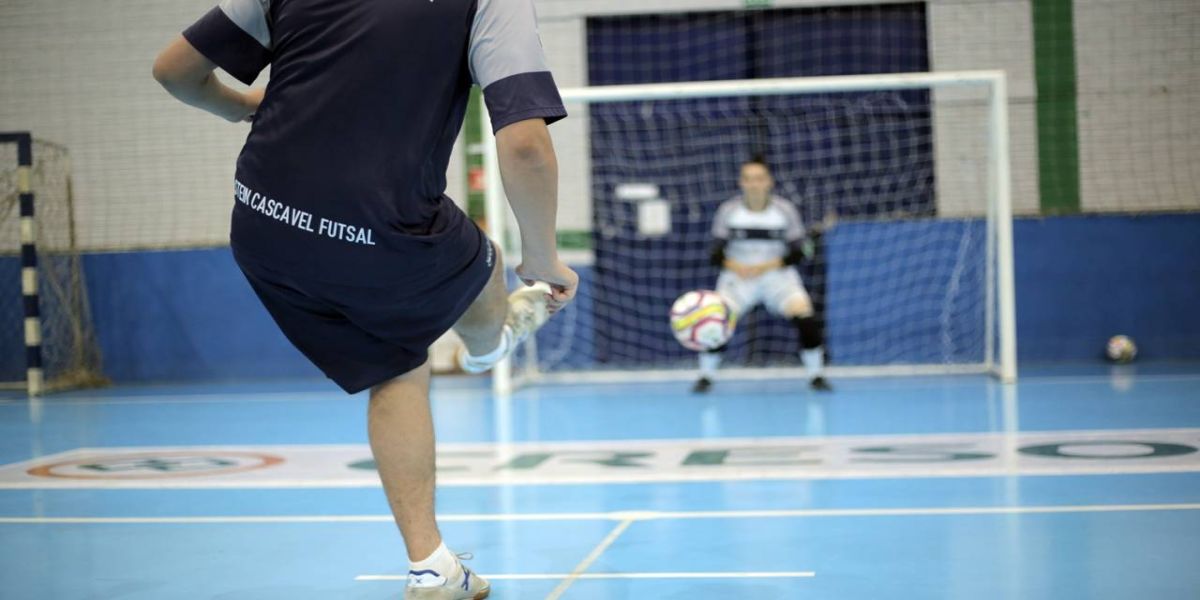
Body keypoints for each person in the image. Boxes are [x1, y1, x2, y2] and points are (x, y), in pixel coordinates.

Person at [152, 0, 578, 597]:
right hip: (377, 227)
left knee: (398, 365)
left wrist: (242, 106)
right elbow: (526, 144)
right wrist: (545, 254)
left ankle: (432, 564)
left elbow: (174, 71)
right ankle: (493, 340)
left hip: (262, 223)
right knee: (487, 259)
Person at [694, 156, 831, 394]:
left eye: (759, 179)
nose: (754, 184)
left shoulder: (784, 210)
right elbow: (714, 253)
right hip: (737, 277)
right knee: (715, 321)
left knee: (804, 315)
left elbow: (798, 252)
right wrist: (735, 265)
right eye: (748, 179)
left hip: (777, 276)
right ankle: (706, 376)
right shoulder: (729, 211)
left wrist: (768, 265)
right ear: (741, 183)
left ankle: (816, 375)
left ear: (769, 182)